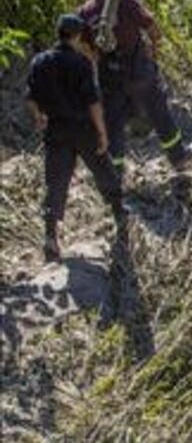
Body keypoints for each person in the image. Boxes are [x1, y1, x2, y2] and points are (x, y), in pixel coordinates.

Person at [78, 0, 192, 175]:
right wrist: (154, 52)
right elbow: (153, 30)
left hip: (109, 76)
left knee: (113, 125)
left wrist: (100, 59)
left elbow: (84, 45)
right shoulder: (127, 1)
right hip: (138, 70)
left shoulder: (86, 10)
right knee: (160, 114)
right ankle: (179, 161)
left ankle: (115, 176)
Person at [26, 14, 125, 262]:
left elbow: (30, 97)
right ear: (78, 36)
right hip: (83, 129)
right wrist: (102, 133)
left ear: (58, 32)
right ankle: (120, 217)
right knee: (103, 169)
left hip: (56, 130)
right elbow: (93, 102)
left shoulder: (39, 61)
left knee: (56, 181)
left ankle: (50, 237)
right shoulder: (81, 62)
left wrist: (39, 118)